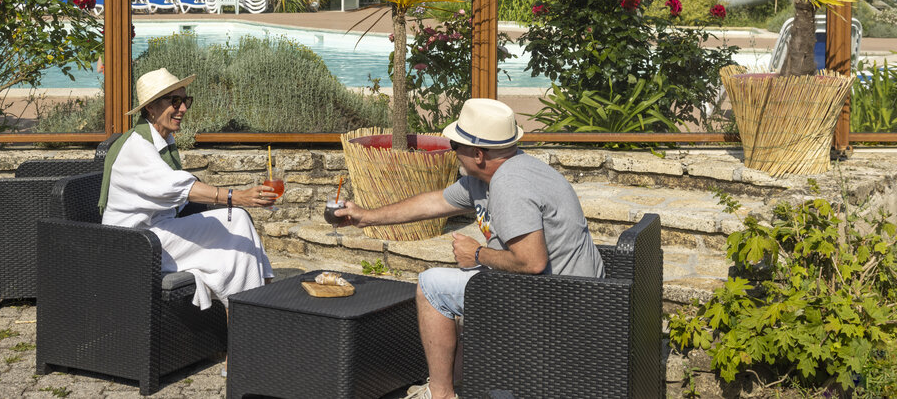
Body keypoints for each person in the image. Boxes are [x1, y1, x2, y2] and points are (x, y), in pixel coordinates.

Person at [334, 98, 605, 399]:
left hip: (560, 304)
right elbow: (434, 202)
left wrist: (476, 253)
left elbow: (532, 262)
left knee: (431, 286)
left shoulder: (510, 185)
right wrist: (365, 216)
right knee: (472, 283)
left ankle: (441, 393)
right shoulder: (493, 175)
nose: (453, 153)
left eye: (455, 146)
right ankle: (466, 380)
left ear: (478, 154)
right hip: (565, 292)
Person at [99, 67, 277, 311]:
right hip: (134, 243)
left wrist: (235, 202)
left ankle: (257, 303)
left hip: (159, 230)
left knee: (238, 221)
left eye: (185, 100)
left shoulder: (163, 140)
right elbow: (173, 187)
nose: (183, 108)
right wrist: (235, 196)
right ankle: (252, 314)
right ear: (151, 108)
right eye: (175, 101)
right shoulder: (136, 147)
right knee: (234, 236)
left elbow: (177, 191)